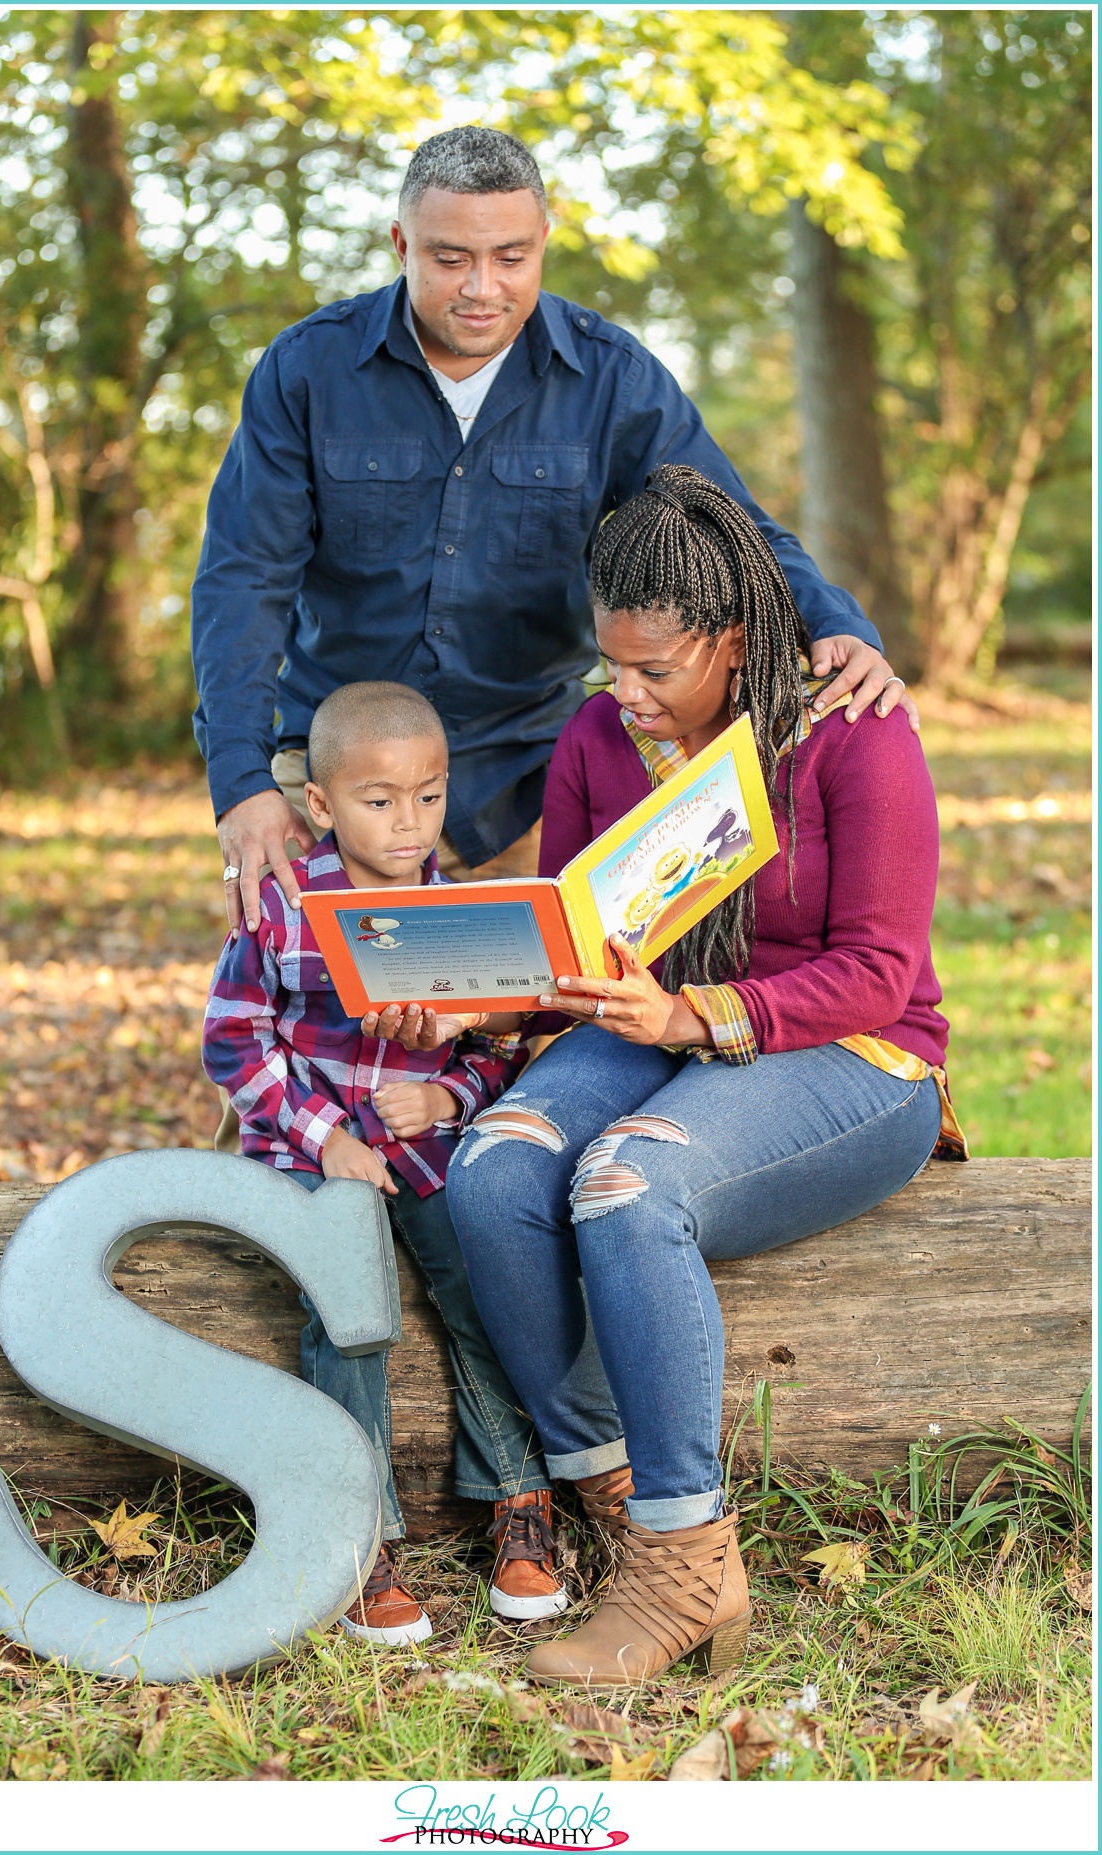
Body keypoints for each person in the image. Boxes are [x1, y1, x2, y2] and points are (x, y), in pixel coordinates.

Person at [438, 466, 966, 1689]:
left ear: (734, 641)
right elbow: (574, 937)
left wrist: (696, 1012)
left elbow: (881, 972)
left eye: (656, 671)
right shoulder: (595, 734)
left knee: (625, 1184)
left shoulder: (850, 730)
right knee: (499, 1166)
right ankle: (616, 1492)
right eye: (610, 664)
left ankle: (681, 1557)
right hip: (647, 1026)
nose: (625, 696)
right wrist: (476, 996)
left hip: (849, 1053)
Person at [190, 125, 917, 941]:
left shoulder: (612, 378)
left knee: (523, 1052)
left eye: (510, 257)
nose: (481, 287)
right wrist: (243, 783)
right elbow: (242, 580)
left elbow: (731, 529)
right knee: (303, 1047)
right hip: (333, 787)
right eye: (450, 258)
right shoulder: (306, 372)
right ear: (401, 244)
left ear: (544, 242)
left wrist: (838, 625)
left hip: (532, 793)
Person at [201, 682, 572, 1644]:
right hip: (310, 1155)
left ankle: (517, 1503)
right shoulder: (283, 904)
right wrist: (333, 1138)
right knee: (350, 1307)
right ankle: (359, 1534)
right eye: (380, 800)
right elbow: (236, 1042)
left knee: (487, 1279)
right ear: (320, 803)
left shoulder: (462, 911)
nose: (410, 824)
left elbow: (500, 1046)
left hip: (429, 1149)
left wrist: (449, 1095)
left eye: (431, 795)